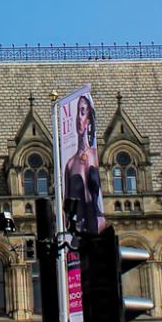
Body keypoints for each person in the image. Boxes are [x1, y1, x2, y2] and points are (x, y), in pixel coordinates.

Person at [62, 93, 105, 234]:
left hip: (98, 224)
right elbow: (65, 207)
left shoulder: (95, 155)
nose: (79, 117)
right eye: (77, 113)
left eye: (83, 112)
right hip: (78, 231)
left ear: (89, 119)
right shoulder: (69, 163)